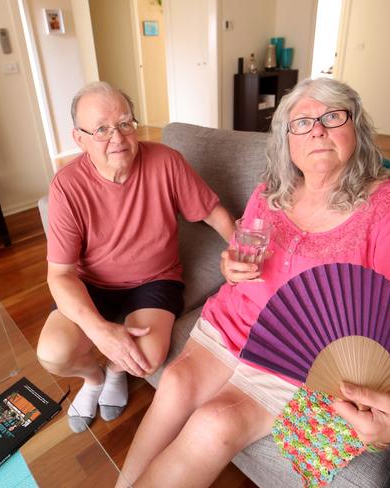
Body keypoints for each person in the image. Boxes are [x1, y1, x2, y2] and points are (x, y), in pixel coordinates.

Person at [118, 77, 390, 487]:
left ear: (356, 129)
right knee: (173, 382)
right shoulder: (270, 191)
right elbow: (240, 256)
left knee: (214, 423)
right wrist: (229, 266)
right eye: (302, 122)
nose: (317, 129)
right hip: (231, 322)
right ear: (287, 140)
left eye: (332, 117)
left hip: (297, 358)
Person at [36, 81, 234, 433]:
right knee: (54, 353)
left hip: (155, 279)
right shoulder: (67, 185)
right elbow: (60, 274)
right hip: (91, 283)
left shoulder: (166, 161)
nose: (118, 137)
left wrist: (240, 248)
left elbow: (212, 210)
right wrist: (100, 332)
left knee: (146, 359)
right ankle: (94, 379)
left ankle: (116, 372)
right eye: (101, 129)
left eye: (125, 123)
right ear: (79, 138)